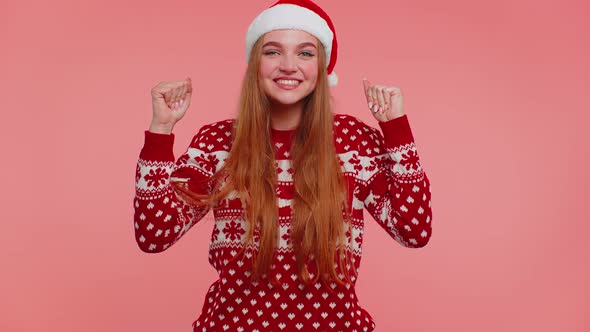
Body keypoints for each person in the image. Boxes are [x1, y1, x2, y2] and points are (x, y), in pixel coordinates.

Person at [133, 0, 433, 330]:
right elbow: (154, 235)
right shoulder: (217, 143)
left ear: (322, 68)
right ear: (254, 64)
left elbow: (413, 230)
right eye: (272, 52)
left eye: (305, 53)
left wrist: (396, 128)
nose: (288, 65)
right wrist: (160, 131)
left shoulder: (353, 142)